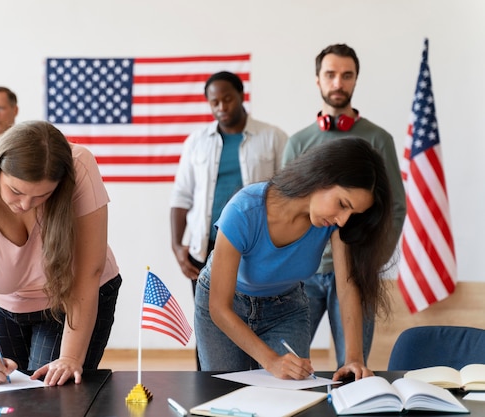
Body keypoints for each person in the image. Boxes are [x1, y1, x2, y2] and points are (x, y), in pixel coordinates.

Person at [195, 138, 394, 381]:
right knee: (223, 394)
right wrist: (271, 361)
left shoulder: (333, 225)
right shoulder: (243, 211)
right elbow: (219, 308)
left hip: (285, 308)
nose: (343, 220)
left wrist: (354, 358)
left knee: (286, 396)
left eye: (352, 214)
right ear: (322, 176)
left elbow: (347, 285)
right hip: (227, 307)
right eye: (343, 204)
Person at [0, 120, 122, 386]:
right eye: (16, 191)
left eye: (42, 196)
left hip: (72, 298)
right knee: (6, 391)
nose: (25, 205)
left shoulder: (80, 166)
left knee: (53, 396)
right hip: (4, 304)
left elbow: (88, 272)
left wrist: (71, 357)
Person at [282, 44, 406, 368]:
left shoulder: (379, 139)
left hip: (356, 269)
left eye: (347, 75)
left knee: (352, 367)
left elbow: (395, 207)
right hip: (304, 275)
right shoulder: (298, 142)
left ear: (355, 80)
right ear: (318, 80)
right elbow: (286, 204)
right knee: (289, 365)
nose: (338, 83)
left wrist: (372, 260)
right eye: (331, 74)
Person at [170, 71, 288, 369]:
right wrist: (177, 246)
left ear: (241, 96)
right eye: (214, 102)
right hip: (205, 249)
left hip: (256, 251)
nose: (221, 106)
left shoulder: (272, 137)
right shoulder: (196, 142)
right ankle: (207, 391)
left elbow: (288, 193)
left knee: (252, 320)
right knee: (209, 323)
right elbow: (181, 197)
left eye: (227, 99)